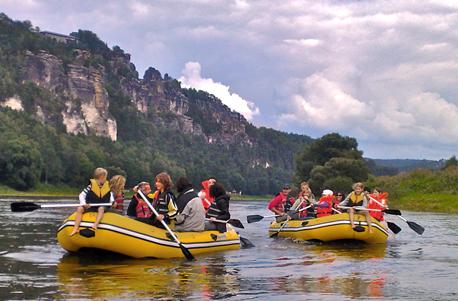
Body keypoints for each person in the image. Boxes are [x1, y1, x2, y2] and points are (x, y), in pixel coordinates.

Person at [70, 168, 114, 236]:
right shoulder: (90, 186)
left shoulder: (107, 186)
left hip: (102, 206)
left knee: (101, 209)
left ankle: (95, 224)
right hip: (91, 206)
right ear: (102, 177)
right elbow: (81, 195)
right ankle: (76, 228)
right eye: (105, 177)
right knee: (79, 209)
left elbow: (111, 197)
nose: (106, 179)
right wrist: (84, 204)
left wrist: (113, 202)